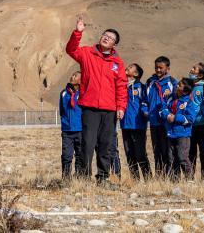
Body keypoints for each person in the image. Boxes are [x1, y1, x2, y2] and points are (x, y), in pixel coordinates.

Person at [65, 15, 127, 183]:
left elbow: (121, 86)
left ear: (114, 44)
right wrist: (78, 33)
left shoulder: (117, 63)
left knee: (106, 144)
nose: (106, 38)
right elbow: (71, 50)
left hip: (109, 109)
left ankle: (103, 177)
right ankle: (84, 177)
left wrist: (121, 107)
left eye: (111, 38)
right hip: (90, 107)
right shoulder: (87, 53)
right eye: (105, 35)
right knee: (87, 143)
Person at [146, 56, 177, 175]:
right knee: (156, 149)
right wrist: (146, 111)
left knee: (167, 150)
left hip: (166, 122)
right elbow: (145, 100)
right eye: (156, 67)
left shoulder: (172, 83)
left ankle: (169, 176)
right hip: (154, 121)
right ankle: (159, 176)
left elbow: (176, 101)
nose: (158, 70)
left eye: (161, 67)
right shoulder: (150, 82)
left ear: (167, 69)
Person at [120, 63, 151, 180]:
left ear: (136, 73)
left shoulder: (142, 88)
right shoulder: (122, 87)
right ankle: (135, 180)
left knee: (140, 154)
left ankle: (148, 179)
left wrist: (145, 112)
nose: (127, 67)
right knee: (129, 154)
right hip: (125, 125)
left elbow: (146, 103)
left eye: (130, 67)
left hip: (138, 125)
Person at [165, 77, 199, 179]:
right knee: (171, 158)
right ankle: (174, 180)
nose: (176, 86)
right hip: (171, 133)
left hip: (183, 134)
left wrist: (175, 117)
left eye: (179, 85)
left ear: (186, 89)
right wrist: (167, 115)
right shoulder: (172, 99)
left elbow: (190, 118)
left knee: (182, 157)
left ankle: (189, 179)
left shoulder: (189, 102)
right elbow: (164, 108)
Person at [188, 62, 204, 180]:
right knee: (190, 152)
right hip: (189, 125)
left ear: (201, 75)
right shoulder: (189, 86)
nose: (191, 70)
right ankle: (190, 177)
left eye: (194, 68)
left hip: (202, 124)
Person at [59, 71, 84, 177]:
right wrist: (65, 122)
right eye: (72, 75)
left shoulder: (83, 93)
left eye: (75, 76)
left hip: (80, 130)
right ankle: (66, 178)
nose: (72, 77)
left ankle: (79, 176)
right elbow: (61, 111)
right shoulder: (63, 93)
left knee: (80, 155)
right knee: (66, 155)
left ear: (80, 80)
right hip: (67, 130)